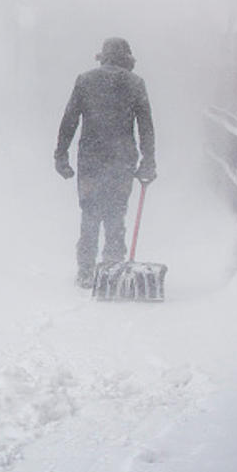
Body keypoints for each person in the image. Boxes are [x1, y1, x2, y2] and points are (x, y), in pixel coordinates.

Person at [54, 37, 156, 288]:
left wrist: (61, 155)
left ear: (103, 57)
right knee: (115, 213)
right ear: (127, 59)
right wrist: (148, 161)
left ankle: (86, 271)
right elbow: (145, 127)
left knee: (89, 213)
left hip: (91, 159)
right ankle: (112, 266)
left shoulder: (85, 81)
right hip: (122, 160)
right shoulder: (135, 84)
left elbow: (69, 120)